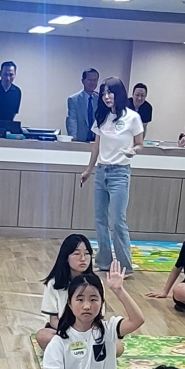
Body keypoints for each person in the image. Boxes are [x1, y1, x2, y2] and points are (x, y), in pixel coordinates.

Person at [77, 76, 145, 274]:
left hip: (120, 173)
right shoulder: (102, 117)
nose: (107, 97)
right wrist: (88, 170)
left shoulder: (132, 117)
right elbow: (96, 146)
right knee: (100, 219)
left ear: (119, 93)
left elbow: (140, 144)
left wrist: (133, 150)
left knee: (118, 221)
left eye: (110, 92)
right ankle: (104, 262)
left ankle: (125, 267)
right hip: (101, 172)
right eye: (104, 93)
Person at [37, 233, 95, 348]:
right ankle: (77, 349)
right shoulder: (54, 284)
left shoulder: (96, 283)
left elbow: (98, 318)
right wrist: (71, 333)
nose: (83, 258)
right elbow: (54, 320)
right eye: (77, 254)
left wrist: (84, 334)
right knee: (43, 336)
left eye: (87, 253)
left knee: (117, 347)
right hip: (63, 330)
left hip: (89, 331)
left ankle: (73, 349)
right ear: (66, 258)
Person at [64, 67, 100, 142]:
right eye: (90, 80)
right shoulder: (73, 100)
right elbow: (72, 121)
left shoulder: (100, 99)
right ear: (83, 81)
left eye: (95, 80)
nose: (93, 83)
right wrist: (73, 139)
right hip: (80, 140)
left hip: (97, 140)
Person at [0, 60, 22, 134]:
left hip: (8, 128)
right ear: (0, 73)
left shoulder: (17, 91)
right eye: (5, 74)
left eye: (11, 75)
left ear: (15, 74)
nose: (8, 78)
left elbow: (14, 112)